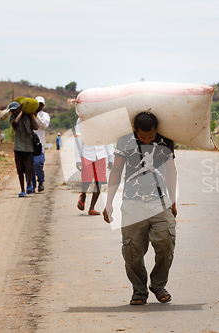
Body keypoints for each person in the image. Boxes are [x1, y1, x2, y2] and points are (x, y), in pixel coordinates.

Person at [103, 111, 177, 306]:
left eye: (150, 137)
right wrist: (108, 202)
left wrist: (173, 200)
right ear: (134, 129)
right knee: (132, 250)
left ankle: (158, 285)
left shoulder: (166, 142)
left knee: (166, 242)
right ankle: (139, 291)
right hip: (132, 202)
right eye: (142, 137)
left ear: (156, 130)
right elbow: (116, 170)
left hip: (159, 201)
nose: (146, 140)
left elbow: (171, 170)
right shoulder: (124, 141)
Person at [75, 118, 114, 215]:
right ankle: (83, 196)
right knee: (86, 181)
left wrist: (110, 157)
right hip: (86, 154)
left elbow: (108, 140)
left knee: (99, 182)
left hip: (100, 155)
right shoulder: (82, 119)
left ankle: (92, 207)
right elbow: (78, 140)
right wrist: (78, 159)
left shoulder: (104, 120)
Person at [10, 102, 38, 197]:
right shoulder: (12, 118)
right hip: (18, 148)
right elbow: (16, 123)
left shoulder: (28, 117)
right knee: (20, 170)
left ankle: (29, 184)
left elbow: (36, 127)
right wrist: (21, 112)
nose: (14, 112)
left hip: (29, 147)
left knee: (29, 168)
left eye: (16, 110)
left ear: (19, 109)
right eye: (12, 111)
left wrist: (31, 115)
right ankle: (22, 189)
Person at [31, 96, 50, 193]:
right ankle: (32, 185)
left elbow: (44, 126)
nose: (39, 106)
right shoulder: (29, 114)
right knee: (30, 166)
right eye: (38, 104)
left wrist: (36, 116)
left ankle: (41, 182)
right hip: (29, 144)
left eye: (41, 104)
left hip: (40, 145)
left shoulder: (45, 115)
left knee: (38, 163)